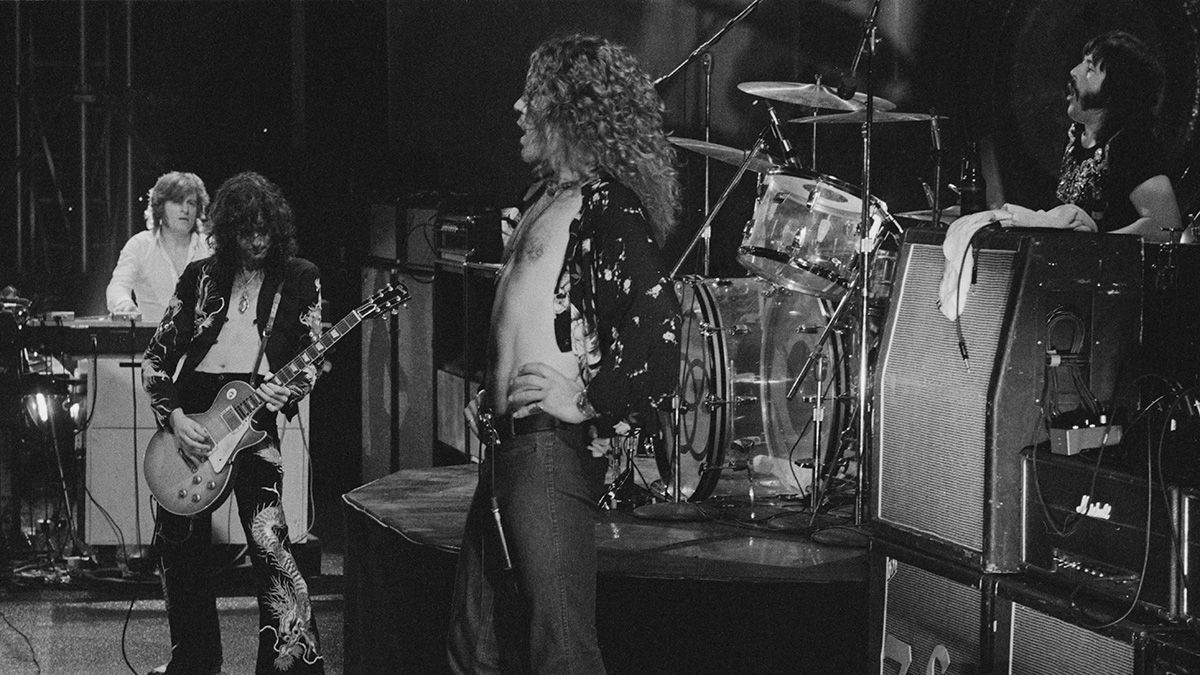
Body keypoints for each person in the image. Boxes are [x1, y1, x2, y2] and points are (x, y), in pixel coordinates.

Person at [446, 34, 682, 674]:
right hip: (508, 447)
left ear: (569, 108)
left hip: (547, 453)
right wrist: (489, 396)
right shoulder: (548, 202)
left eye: (534, 95)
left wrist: (584, 400)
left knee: (563, 652)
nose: (519, 108)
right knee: (478, 649)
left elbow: (659, 336)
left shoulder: (607, 205)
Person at [141, 171, 324, 675]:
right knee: (178, 548)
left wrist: (291, 388)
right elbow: (157, 358)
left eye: (266, 229)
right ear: (228, 230)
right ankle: (193, 661)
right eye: (246, 230)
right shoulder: (201, 275)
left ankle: (290, 666)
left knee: (269, 542)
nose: (258, 239)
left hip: (256, 413)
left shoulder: (300, 276)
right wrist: (174, 417)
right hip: (195, 410)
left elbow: (308, 361)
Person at [1047, 30, 1181, 240]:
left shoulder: (1133, 144)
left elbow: (1165, 227)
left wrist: (1093, 249)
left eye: (1090, 69)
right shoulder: (1077, 139)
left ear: (1114, 92)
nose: (1074, 71)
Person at [107, 171, 213, 323]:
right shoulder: (140, 245)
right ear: (160, 207)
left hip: (201, 343)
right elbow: (117, 286)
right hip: (152, 341)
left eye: (191, 203)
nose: (185, 209)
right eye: (177, 202)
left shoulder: (210, 247)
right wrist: (125, 306)